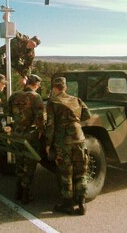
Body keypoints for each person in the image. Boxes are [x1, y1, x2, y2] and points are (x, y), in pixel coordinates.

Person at [45, 77, 91, 215]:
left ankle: (67, 204)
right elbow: (87, 115)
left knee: (66, 172)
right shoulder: (76, 100)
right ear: (65, 87)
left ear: (54, 88)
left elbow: (51, 125)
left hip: (63, 141)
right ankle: (81, 203)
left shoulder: (52, 102)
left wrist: (48, 144)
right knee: (81, 171)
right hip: (79, 138)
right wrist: (74, 121)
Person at [8, 74, 44, 204]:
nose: (39, 87)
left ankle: (18, 191)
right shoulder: (36, 97)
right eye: (39, 85)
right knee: (29, 165)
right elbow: (40, 118)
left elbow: (9, 114)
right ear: (35, 84)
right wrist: (41, 131)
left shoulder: (14, 96)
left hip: (17, 134)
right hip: (30, 135)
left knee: (19, 163)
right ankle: (25, 194)